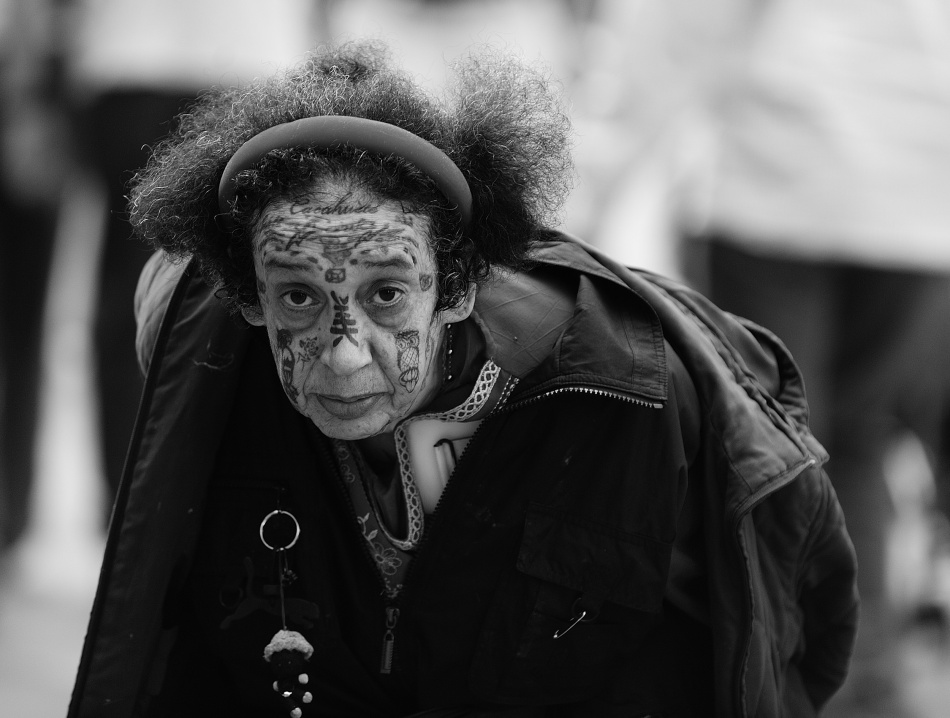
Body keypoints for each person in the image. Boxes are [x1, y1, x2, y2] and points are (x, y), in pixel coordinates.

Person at [68, 42, 857, 717]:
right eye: (299, 298)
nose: (344, 356)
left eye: (385, 294)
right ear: (248, 300)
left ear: (456, 287)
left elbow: (764, 639)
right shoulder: (212, 377)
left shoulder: (624, 399)